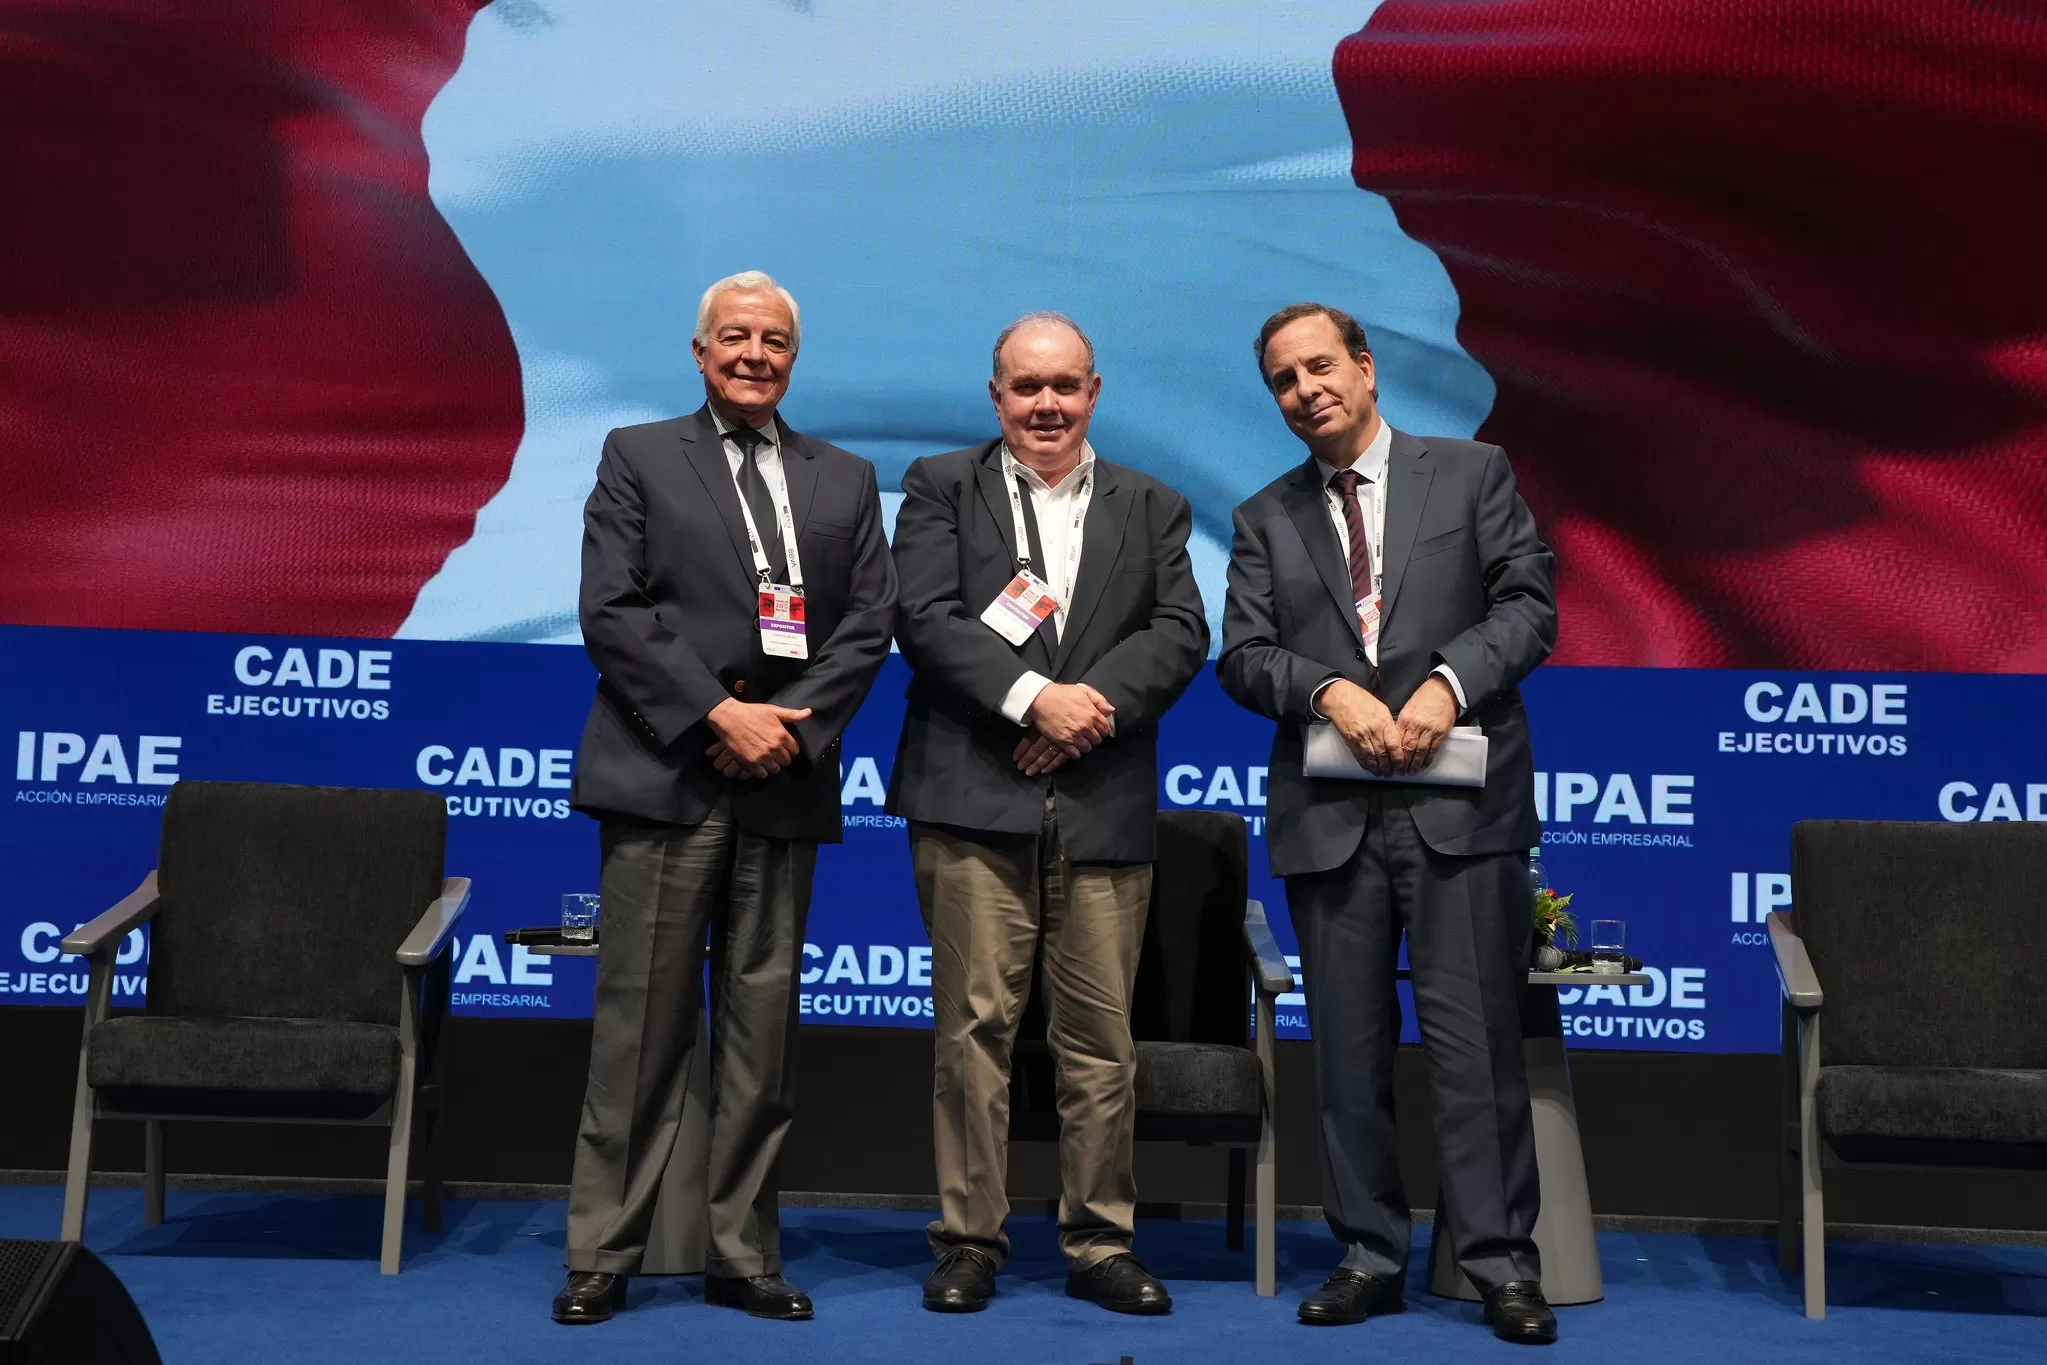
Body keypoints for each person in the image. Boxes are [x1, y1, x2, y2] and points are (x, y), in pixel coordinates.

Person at [554, 270, 897, 1325]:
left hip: (783, 783)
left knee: (761, 1038)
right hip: (665, 776)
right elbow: (612, 611)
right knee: (639, 1032)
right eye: (735, 337)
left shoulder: (845, 477)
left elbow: (869, 621)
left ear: (795, 356)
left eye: (775, 340)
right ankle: (603, 1252)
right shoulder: (638, 454)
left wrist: (783, 729)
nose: (755, 354)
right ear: (700, 351)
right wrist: (717, 714)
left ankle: (743, 1253)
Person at [1217, 303, 1560, 1344]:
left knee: (1476, 1051)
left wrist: (1449, 685)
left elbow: (1528, 605)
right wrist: (1328, 692)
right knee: (1348, 1055)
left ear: (1364, 369)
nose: (1305, 389)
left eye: (1320, 366)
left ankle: (1498, 1263)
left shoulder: (1471, 473)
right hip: (1330, 819)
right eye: (1283, 379)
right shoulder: (1262, 516)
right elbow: (1243, 656)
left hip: (1462, 812)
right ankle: (1367, 1254)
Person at [886, 313, 1208, 1315]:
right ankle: (968, 1242)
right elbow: (923, 617)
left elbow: (1180, 631)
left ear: (1094, 392)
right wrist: (1034, 700)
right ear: (996, 396)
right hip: (973, 796)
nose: (1046, 405)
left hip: (1101, 798)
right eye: (1026, 387)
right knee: (973, 1031)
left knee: (1101, 1040)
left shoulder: (1152, 504)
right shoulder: (942, 486)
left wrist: (1083, 711)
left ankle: (1100, 1242)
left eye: (1065, 385)